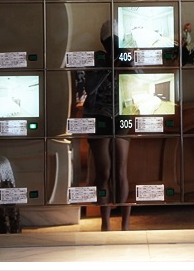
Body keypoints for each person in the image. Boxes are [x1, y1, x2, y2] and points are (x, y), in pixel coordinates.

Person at [75, 20, 132, 231]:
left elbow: (142, 81)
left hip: (121, 115)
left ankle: (125, 224)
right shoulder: (94, 60)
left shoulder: (127, 57)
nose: (112, 46)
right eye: (109, 42)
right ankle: (105, 222)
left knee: (120, 171)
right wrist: (107, 68)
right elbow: (85, 90)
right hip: (98, 116)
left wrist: (130, 65)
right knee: (103, 171)